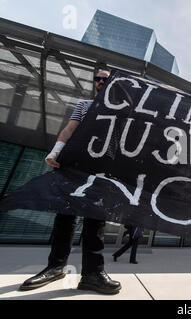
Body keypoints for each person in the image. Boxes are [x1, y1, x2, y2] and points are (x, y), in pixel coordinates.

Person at [19, 70, 122, 295]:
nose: (101, 81)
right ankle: (55, 267)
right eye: (98, 78)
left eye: (106, 79)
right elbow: (70, 129)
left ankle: (93, 274)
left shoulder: (121, 110)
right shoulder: (84, 105)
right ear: (95, 83)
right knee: (64, 215)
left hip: (102, 167)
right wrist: (56, 151)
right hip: (74, 164)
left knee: (95, 219)